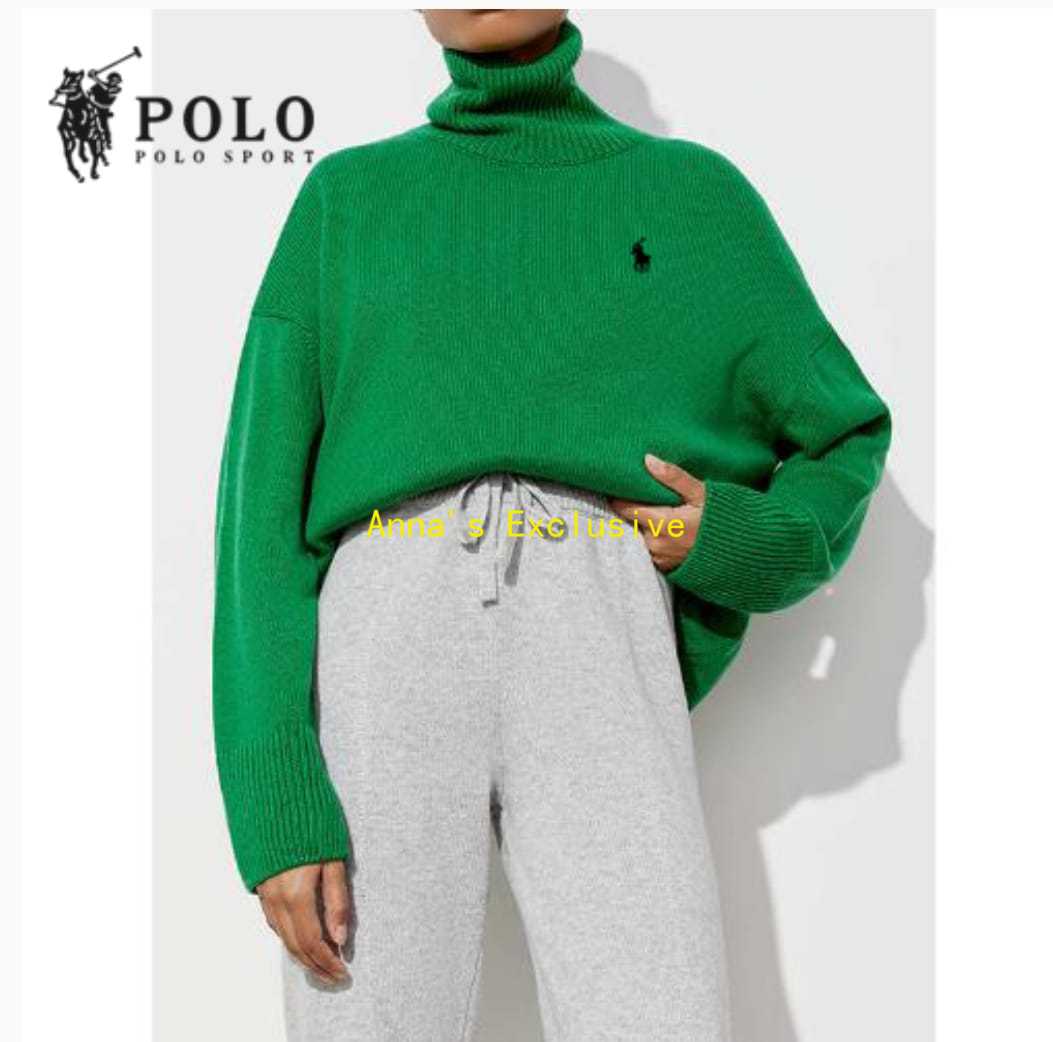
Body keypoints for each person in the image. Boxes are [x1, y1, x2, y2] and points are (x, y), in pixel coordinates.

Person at [212, 10, 893, 1041]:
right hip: (384, 636)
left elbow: (844, 432)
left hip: (597, 622)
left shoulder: (692, 198)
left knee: (660, 1016)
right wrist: (276, 806)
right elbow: (258, 530)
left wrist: (729, 537)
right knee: (368, 1018)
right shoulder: (345, 203)